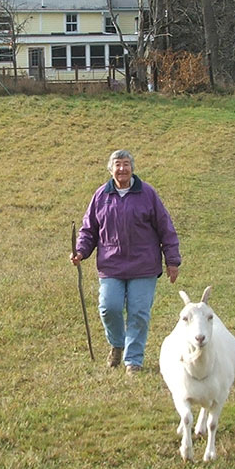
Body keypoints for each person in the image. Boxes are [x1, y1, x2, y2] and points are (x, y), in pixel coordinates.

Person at [71, 150, 181, 374]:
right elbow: (89, 229)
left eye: (126, 164)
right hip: (112, 265)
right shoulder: (101, 195)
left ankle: (133, 361)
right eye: (117, 165)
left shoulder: (147, 194)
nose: (122, 169)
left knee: (139, 312)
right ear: (110, 169)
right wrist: (80, 251)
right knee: (108, 308)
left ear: (132, 168)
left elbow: (165, 228)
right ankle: (117, 344)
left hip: (144, 265)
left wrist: (172, 261)